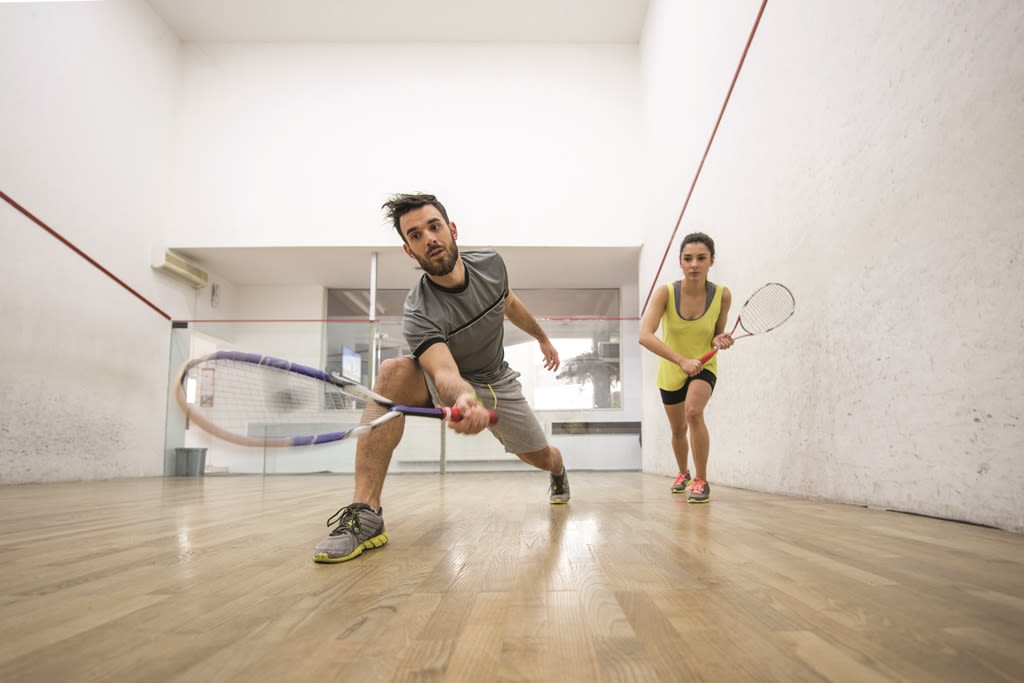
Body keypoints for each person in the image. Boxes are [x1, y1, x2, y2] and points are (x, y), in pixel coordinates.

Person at [313, 193, 570, 563]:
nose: (428, 238)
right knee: (393, 372)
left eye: (434, 227)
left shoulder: (491, 265)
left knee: (541, 456)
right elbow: (443, 371)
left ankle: (559, 471)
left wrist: (542, 338)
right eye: (415, 235)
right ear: (409, 250)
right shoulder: (419, 311)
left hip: (497, 379)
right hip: (451, 380)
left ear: (451, 230)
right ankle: (366, 512)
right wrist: (465, 398)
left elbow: (510, 305)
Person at [639, 232, 733, 503]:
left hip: (704, 365)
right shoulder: (665, 293)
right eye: (688, 258)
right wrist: (681, 361)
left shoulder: (722, 295)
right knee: (678, 430)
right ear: (680, 262)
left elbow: (717, 332)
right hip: (672, 369)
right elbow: (645, 335)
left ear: (711, 261)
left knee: (693, 412)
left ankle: (702, 480)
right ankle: (683, 473)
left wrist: (719, 340)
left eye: (701, 258)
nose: (694, 264)